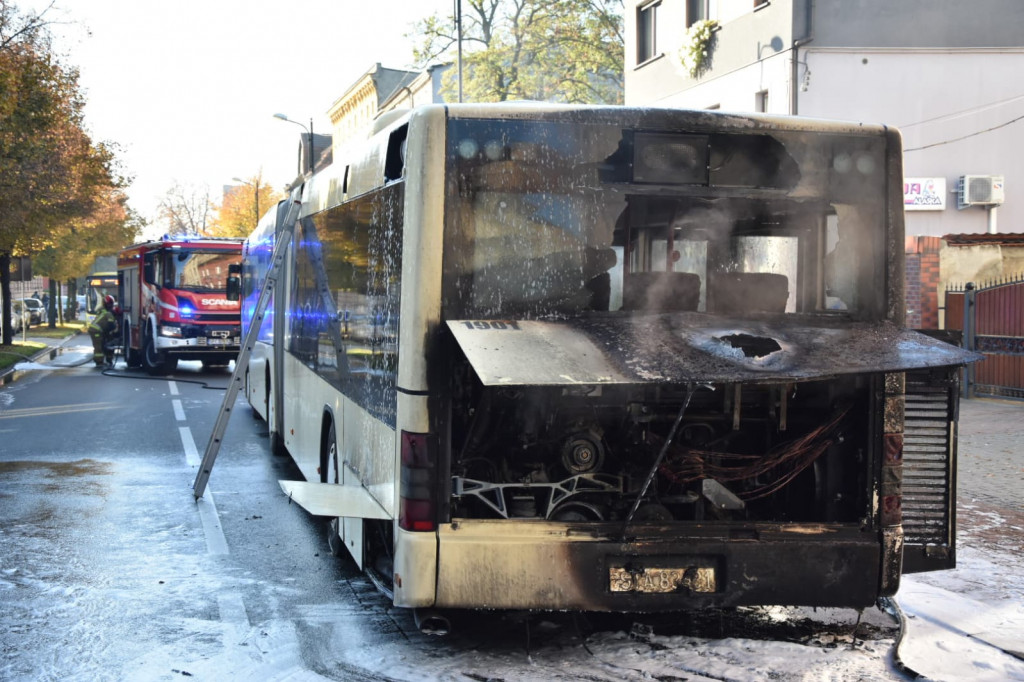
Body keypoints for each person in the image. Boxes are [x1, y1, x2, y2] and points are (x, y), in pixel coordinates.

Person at [88, 295, 118, 367]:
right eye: (109, 304)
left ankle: (102, 360)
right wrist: (115, 333)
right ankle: (99, 362)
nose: (110, 305)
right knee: (98, 346)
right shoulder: (108, 314)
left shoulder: (102, 311)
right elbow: (111, 325)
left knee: (101, 344)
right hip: (96, 330)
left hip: (96, 330)